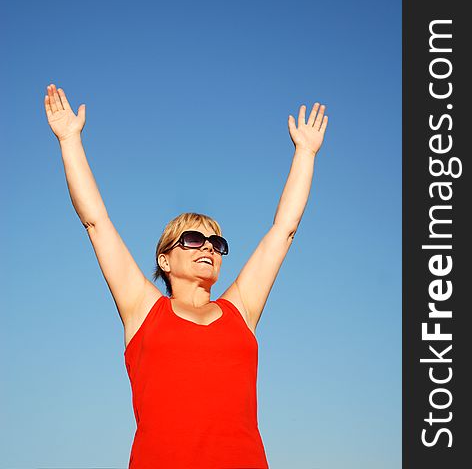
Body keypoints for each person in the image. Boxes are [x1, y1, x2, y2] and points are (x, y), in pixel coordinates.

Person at [44, 83, 329, 469]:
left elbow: (284, 230)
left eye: (217, 242)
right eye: (193, 239)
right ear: (164, 259)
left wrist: (306, 154)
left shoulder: (240, 311)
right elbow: (96, 222)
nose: (208, 247)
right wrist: (69, 140)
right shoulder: (143, 310)